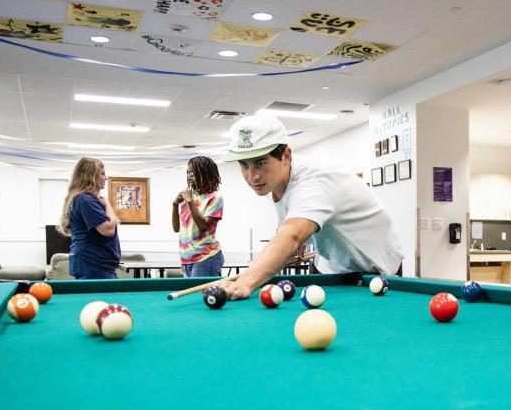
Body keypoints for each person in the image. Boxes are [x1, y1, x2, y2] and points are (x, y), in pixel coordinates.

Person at [218, 115, 403, 300]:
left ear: (286, 156)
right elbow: (289, 228)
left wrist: (245, 282)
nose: (252, 177)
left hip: (375, 269)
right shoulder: (278, 178)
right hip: (329, 266)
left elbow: (291, 235)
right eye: (244, 165)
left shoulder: (313, 183)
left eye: (261, 163)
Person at [58, 157, 121, 279]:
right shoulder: (85, 200)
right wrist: (107, 204)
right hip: (93, 264)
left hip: (96, 264)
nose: (106, 178)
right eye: (102, 174)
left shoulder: (83, 199)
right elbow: (108, 229)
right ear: (90, 176)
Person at [172, 156, 225, 277]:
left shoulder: (214, 198)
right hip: (186, 258)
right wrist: (175, 205)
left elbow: (203, 226)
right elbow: (176, 228)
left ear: (205, 173)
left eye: (193, 172)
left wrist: (190, 201)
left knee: (202, 290)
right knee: (193, 291)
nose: (189, 176)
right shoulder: (188, 197)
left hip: (206, 257)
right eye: (188, 172)